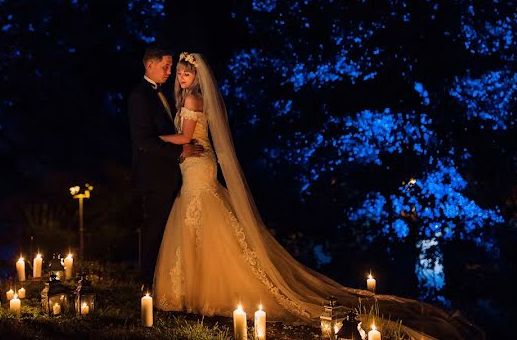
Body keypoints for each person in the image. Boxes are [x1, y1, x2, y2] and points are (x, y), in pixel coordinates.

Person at [152, 52, 483, 340]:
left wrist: (159, 141)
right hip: (191, 167)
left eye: (186, 73)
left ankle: (203, 289)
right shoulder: (186, 100)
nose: (182, 78)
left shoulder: (194, 100)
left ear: (197, 77)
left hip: (199, 169)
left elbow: (186, 138)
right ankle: (192, 289)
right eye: (179, 73)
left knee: (203, 218)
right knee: (198, 220)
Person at [128, 45, 204, 290]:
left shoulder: (165, 94)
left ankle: (164, 279)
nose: (170, 71)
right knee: (154, 227)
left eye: (171, 67)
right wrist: (180, 151)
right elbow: (143, 141)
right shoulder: (140, 96)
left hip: (169, 173)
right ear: (150, 64)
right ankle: (147, 282)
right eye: (166, 66)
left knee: (167, 227)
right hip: (153, 175)